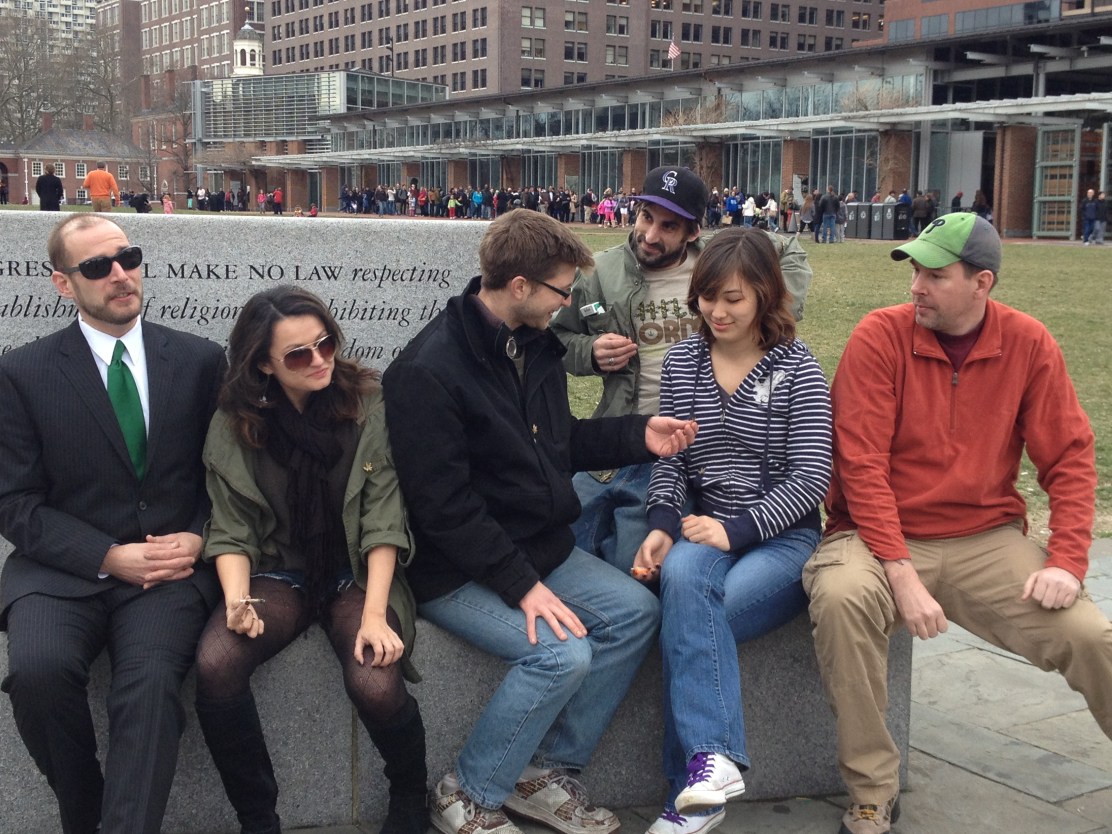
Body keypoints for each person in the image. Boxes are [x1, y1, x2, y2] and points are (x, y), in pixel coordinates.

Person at [382, 210, 696, 834]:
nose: (571, 301)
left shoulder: (534, 347)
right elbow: (442, 508)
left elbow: (560, 442)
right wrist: (523, 586)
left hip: (537, 549)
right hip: (454, 570)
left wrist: (641, 434)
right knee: (561, 655)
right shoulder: (428, 370)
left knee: (636, 613)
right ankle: (466, 792)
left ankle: (540, 772)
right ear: (519, 286)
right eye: (561, 289)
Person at [803, 212, 1111, 834]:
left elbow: (1071, 458)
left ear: (982, 284)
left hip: (985, 538)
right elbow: (860, 464)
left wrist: (1067, 562)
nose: (915, 286)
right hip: (873, 534)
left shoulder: (1028, 343)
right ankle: (872, 790)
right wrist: (901, 573)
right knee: (839, 596)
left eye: (934, 275)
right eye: (914, 270)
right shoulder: (878, 336)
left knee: (1088, 634)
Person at [0, 214, 226, 833]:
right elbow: (14, 502)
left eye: (128, 257)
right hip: (61, 571)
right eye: (97, 267)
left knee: (150, 687)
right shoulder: (22, 374)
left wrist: (203, 536)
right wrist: (105, 555)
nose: (120, 275)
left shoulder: (202, 361)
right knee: (39, 674)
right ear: (63, 284)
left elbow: (232, 478)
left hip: (169, 572)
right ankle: (84, 812)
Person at [194, 286, 427, 834]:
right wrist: (236, 600)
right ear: (264, 365)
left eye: (325, 343)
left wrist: (373, 615)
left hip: (354, 569)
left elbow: (384, 518)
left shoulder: (365, 400)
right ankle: (257, 817)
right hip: (278, 570)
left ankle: (410, 796)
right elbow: (231, 528)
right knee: (215, 662)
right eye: (299, 355)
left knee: (374, 676)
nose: (320, 360)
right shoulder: (236, 423)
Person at [633, 228, 832, 834]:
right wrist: (664, 524)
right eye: (707, 296)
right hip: (701, 531)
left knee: (690, 617)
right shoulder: (682, 362)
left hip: (781, 538)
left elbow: (812, 477)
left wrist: (737, 528)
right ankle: (709, 773)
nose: (717, 311)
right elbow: (670, 462)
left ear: (766, 297)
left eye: (734, 299)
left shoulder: (797, 369)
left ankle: (687, 798)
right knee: (685, 581)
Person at [551, 166, 813, 575]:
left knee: (632, 563)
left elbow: (790, 249)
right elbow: (555, 338)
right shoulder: (600, 273)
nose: (651, 235)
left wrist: (769, 313)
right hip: (620, 434)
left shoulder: (719, 265)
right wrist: (589, 351)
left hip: (686, 449)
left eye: (669, 226)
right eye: (645, 217)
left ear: (692, 232)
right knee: (561, 536)